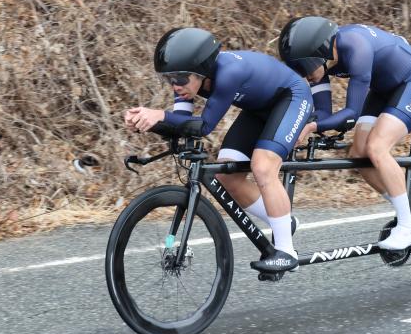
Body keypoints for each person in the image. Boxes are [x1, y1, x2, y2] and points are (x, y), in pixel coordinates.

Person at [125, 27, 312, 272]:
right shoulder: (189, 83)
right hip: (258, 110)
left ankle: (286, 252)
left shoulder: (229, 73)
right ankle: (282, 222)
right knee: (226, 178)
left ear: (201, 70)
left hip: (292, 98)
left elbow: (202, 126)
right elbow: (182, 123)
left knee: (263, 166)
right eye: (169, 79)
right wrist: (147, 123)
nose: (175, 86)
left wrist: (159, 115)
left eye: (179, 78)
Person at [278, 17, 411, 250]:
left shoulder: (355, 46)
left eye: (306, 68)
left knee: (376, 147)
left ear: (320, 52)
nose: (307, 76)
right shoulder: (324, 60)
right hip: (384, 90)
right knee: (360, 155)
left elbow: (351, 115)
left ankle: (407, 227)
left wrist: (313, 127)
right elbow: (322, 112)